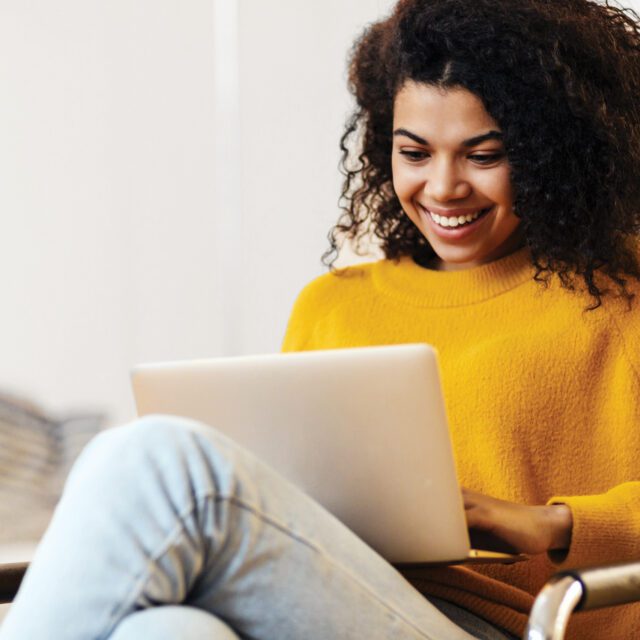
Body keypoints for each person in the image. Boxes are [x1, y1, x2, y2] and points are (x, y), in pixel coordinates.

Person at [2, 0, 640, 638]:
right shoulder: (331, 304)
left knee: (154, 460)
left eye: (483, 155)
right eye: (415, 153)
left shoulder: (619, 301)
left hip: (498, 624)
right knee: (165, 630)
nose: (443, 187)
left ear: (555, 152)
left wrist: (553, 523)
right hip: (329, 593)